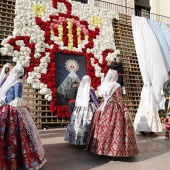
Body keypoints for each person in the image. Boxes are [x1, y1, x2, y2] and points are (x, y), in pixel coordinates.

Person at [0, 64, 46, 169]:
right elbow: (17, 100)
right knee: (20, 134)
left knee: (6, 135)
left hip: (5, 109)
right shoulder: (18, 82)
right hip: (13, 111)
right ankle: (21, 159)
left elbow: (5, 98)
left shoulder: (9, 82)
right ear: (23, 74)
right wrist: (28, 106)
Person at [86, 70, 139, 157]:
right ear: (115, 76)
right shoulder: (116, 85)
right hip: (113, 107)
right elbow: (119, 98)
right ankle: (112, 150)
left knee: (102, 127)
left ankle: (100, 148)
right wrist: (124, 109)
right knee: (115, 128)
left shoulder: (105, 85)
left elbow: (102, 98)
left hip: (103, 107)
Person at [65, 75, 99, 145]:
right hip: (88, 107)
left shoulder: (80, 88)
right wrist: (98, 106)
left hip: (79, 108)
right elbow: (94, 99)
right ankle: (88, 139)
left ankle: (77, 139)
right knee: (89, 122)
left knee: (78, 123)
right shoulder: (90, 88)